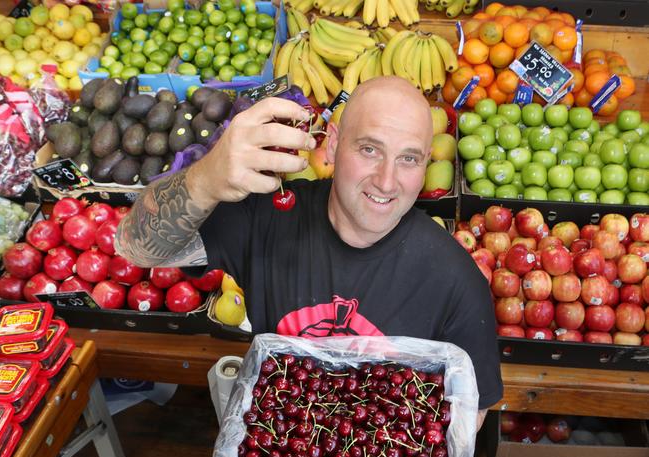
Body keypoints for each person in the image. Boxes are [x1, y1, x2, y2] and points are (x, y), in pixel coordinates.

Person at [115, 76, 503, 429]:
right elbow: (137, 246)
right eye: (369, 149)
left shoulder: (454, 278)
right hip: (284, 448)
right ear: (332, 144)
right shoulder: (267, 217)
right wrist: (207, 178)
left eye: (409, 158)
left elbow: (471, 412)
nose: (387, 181)